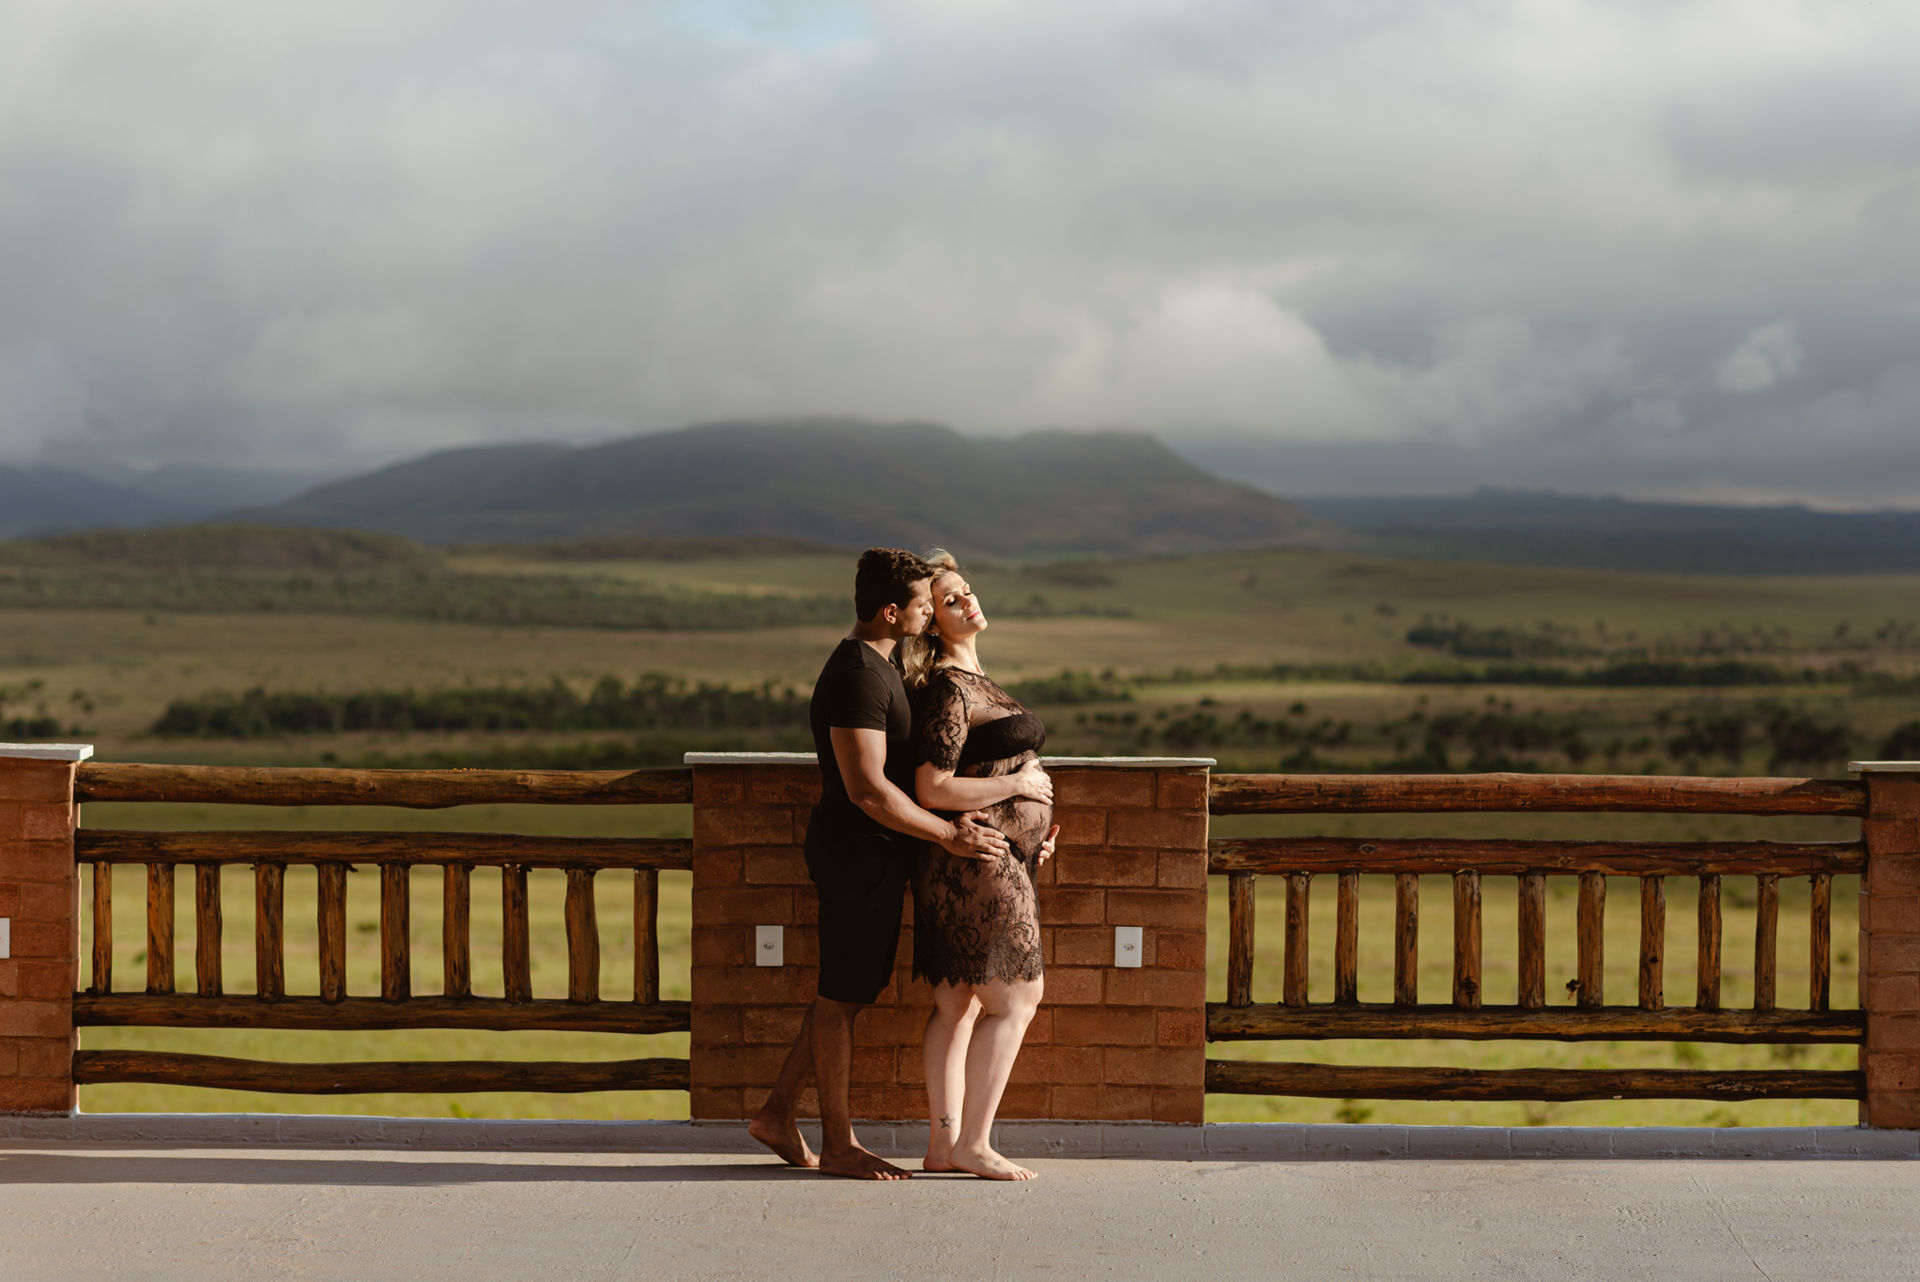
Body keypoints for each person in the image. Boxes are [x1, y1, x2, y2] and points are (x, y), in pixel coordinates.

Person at [748, 547, 1014, 1181]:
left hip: (871, 857)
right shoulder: (857, 677)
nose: (929, 612)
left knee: (843, 992)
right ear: (892, 612)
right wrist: (947, 835)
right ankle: (837, 1145)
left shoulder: (882, 663)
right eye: (924, 604)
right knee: (841, 1001)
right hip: (855, 858)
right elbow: (868, 790)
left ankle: (777, 1115)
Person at [901, 549, 1058, 1181]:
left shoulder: (973, 680)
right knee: (1018, 998)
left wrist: (1034, 829)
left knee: (959, 1004)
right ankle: (973, 1143)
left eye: (966, 591)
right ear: (932, 621)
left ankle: (943, 1147)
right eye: (949, 600)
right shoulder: (946, 686)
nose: (967, 601)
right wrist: (1018, 785)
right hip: (975, 864)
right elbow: (933, 788)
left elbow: (977, 771)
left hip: (991, 857)